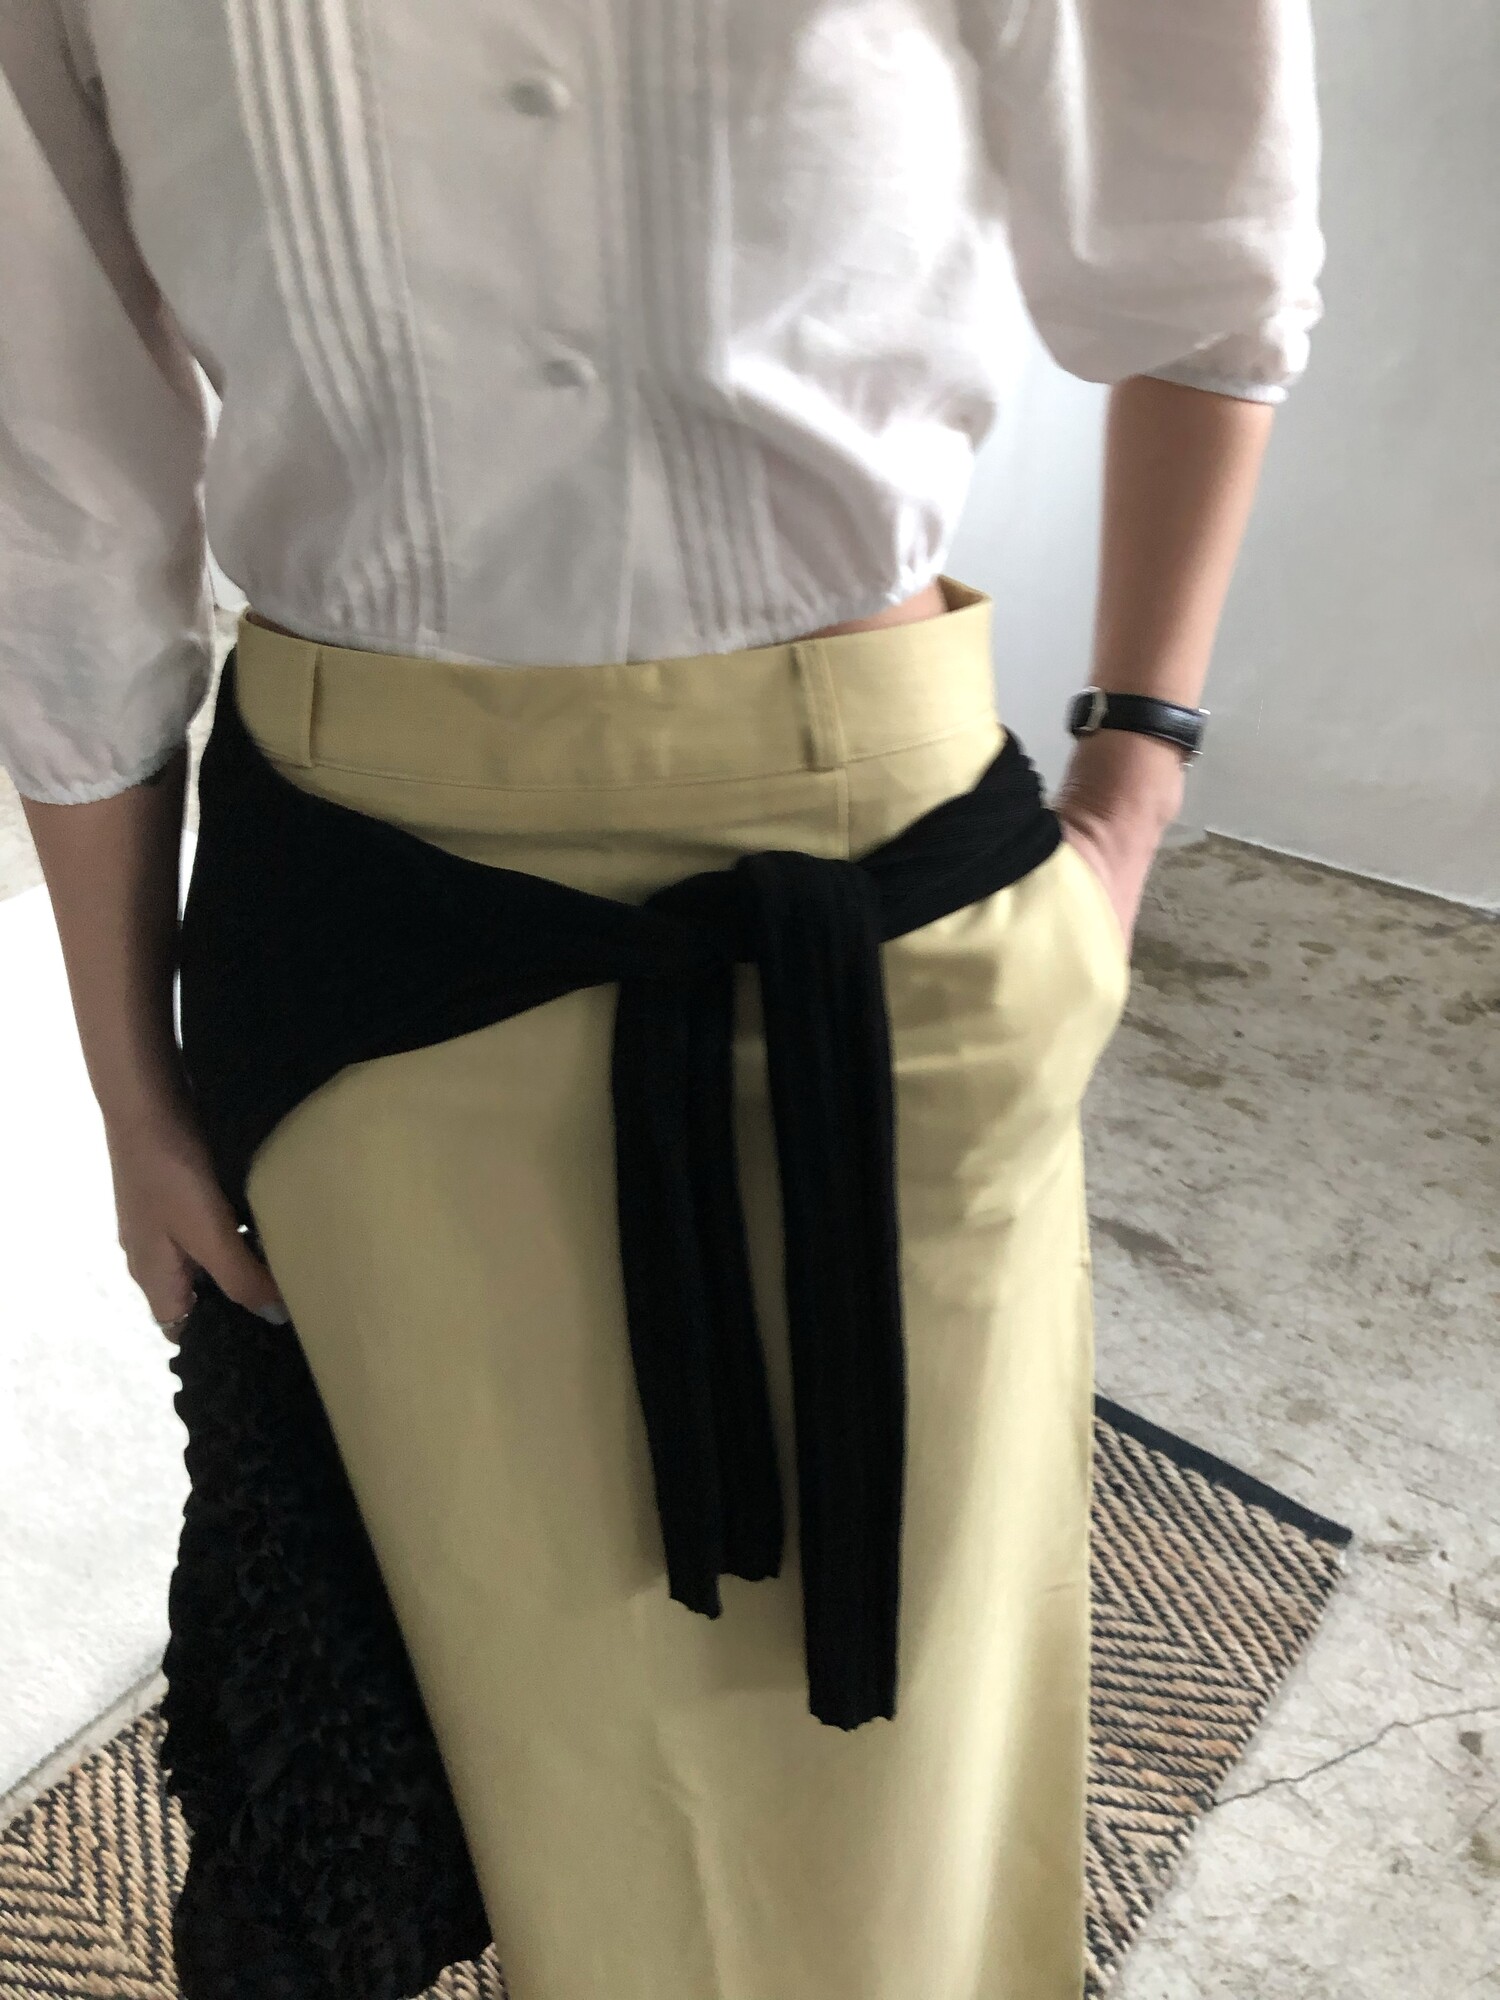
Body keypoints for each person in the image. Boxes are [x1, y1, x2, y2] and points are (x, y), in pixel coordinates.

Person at [0, 2, 1322, 1996]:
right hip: (373, 955)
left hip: (881, 913)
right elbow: (61, 493)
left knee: (914, 1789)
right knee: (506, 1749)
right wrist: (130, 1085)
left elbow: (1206, 234)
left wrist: (1132, 780)